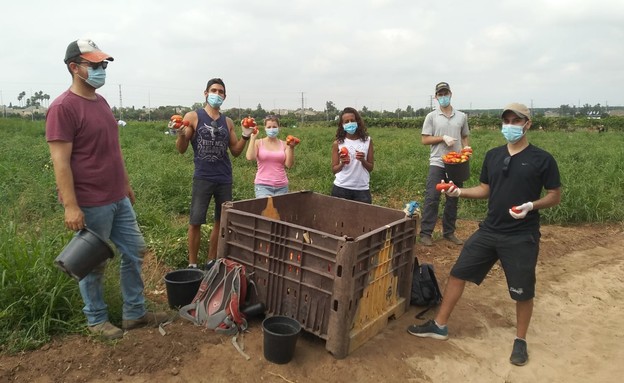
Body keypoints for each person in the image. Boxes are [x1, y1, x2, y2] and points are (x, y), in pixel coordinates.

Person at [407, 103, 562, 367]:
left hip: (521, 235)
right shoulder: (493, 155)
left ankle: (520, 340)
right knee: (458, 273)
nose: (510, 125)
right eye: (507, 120)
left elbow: (554, 195)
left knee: (522, 290)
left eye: (516, 120)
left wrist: (531, 206)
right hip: (490, 230)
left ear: (528, 124)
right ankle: (440, 325)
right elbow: (484, 190)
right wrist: (459, 192)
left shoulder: (542, 159)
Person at [46, 39, 168, 340]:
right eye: (95, 65)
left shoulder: (100, 102)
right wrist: (71, 206)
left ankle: (134, 314)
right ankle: (96, 319)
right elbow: (60, 162)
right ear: (75, 68)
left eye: (104, 64)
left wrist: (125, 184)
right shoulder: (63, 108)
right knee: (93, 261)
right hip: (91, 200)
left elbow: (113, 149)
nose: (102, 69)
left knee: (135, 250)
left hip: (116, 197)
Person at [175, 78, 253, 269]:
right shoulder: (193, 116)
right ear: (205, 93)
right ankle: (192, 264)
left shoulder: (228, 122)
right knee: (195, 221)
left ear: (225, 97)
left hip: (224, 178)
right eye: (214, 90)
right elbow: (182, 149)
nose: (217, 95)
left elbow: (235, 151)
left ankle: (211, 260)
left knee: (220, 220)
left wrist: (245, 135)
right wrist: (180, 133)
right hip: (203, 176)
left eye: (220, 92)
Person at [420, 82, 470, 246]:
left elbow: (464, 136)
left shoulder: (461, 116)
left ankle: (449, 232)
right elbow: (425, 139)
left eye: (445, 93)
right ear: (436, 97)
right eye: (440, 94)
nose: (443, 97)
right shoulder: (431, 117)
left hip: (456, 163)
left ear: (450, 94)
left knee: (453, 198)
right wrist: (442, 138)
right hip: (438, 162)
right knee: (432, 197)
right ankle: (426, 233)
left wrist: (466, 148)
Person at [245, 115, 298, 197]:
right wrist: (253, 138)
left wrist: (291, 148)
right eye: (269, 127)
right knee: (265, 208)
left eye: (274, 127)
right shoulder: (258, 143)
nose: (271, 129)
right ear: (265, 128)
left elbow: (289, 165)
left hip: (282, 186)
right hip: (262, 185)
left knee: (280, 209)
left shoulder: (284, 144)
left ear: (279, 128)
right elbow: (250, 157)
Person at [330, 107, 374, 203]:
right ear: (342, 125)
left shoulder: (367, 141)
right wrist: (342, 163)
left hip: (362, 189)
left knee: (363, 217)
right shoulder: (338, 143)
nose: (350, 123)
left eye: (352, 120)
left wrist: (363, 160)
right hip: (341, 188)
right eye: (346, 122)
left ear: (357, 122)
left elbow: (370, 168)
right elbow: (334, 170)